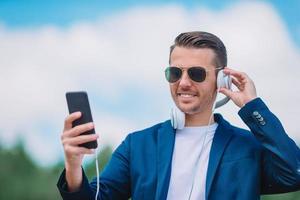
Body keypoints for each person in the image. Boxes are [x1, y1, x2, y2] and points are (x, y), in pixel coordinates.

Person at [57, 31, 300, 200]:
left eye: (196, 73)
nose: (183, 83)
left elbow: (293, 174)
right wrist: (73, 165)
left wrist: (253, 106)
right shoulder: (138, 145)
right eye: (175, 72)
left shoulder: (247, 147)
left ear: (221, 80)